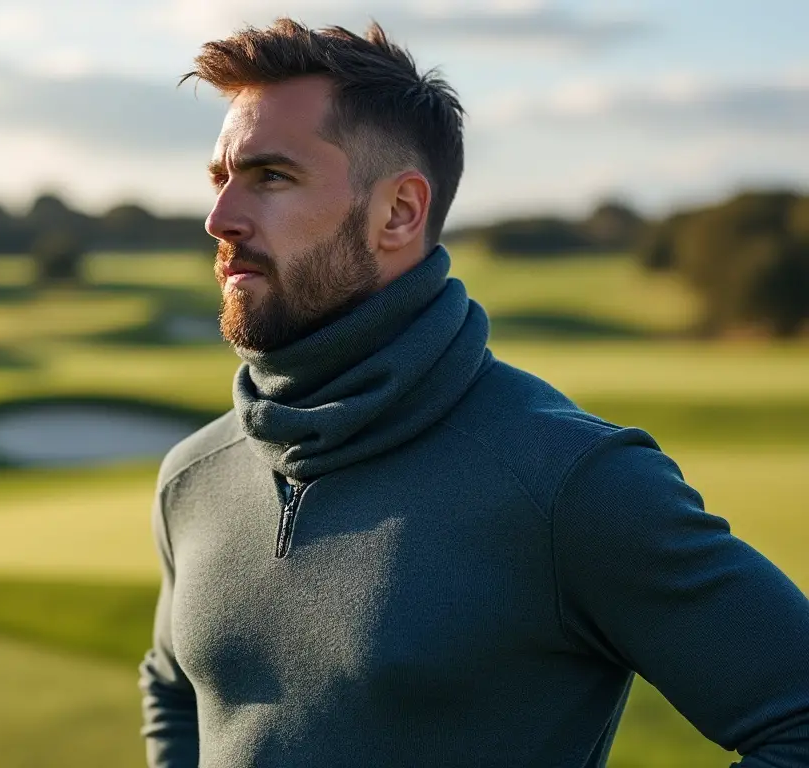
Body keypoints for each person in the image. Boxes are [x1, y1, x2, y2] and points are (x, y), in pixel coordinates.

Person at [139, 18, 809, 768]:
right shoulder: (193, 477)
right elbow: (172, 686)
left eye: (270, 177)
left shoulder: (570, 481)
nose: (219, 218)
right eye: (220, 177)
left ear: (398, 212)